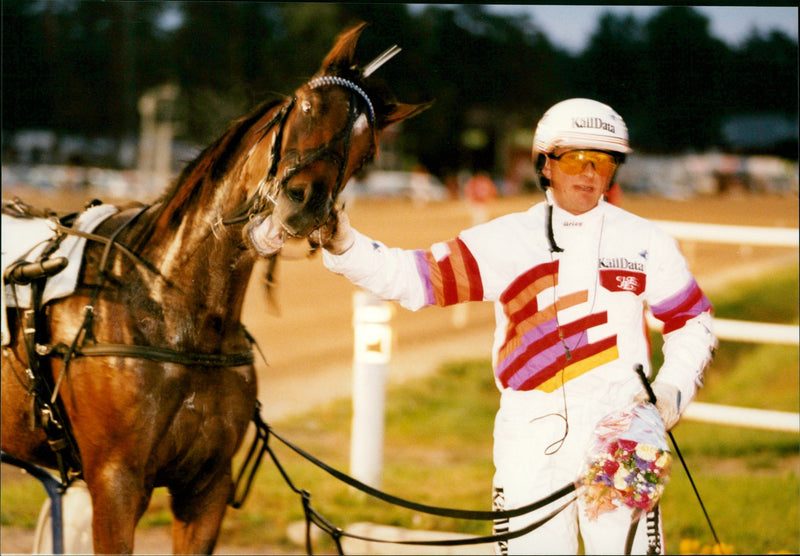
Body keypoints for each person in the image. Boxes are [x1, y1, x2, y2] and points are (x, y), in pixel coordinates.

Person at [250, 98, 717, 554]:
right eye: (577, 159)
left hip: (624, 431)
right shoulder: (506, 240)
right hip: (530, 435)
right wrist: (343, 243)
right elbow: (414, 279)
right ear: (546, 164)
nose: (591, 174)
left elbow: (692, 320)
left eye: (605, 161)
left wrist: (671, 390)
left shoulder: (646, 243)